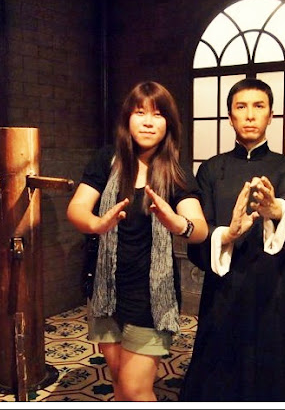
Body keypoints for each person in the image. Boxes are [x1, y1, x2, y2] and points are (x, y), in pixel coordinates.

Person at [66, 81, 208, 401]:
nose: (148, 122)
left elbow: (200, 228)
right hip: (106, 291)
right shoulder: (107, 160)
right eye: (140, 112)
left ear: (168, 123)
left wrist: (178, 223)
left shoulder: (175, 172)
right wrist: (97, 224)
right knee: (119, 383)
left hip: (151, 299)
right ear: (127, 119)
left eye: (158, 114)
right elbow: (77, 208)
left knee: (136, 389)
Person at [179, 78, 285, 402]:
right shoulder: (211, 170)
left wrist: (274, 208)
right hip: (224, 287)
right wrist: (227, 233)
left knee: (272, 366)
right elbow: (202, 227)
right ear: (230, 117)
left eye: (258, 106)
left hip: (273, 287)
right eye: (241, 107)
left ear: (270, 115)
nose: (250, 115)